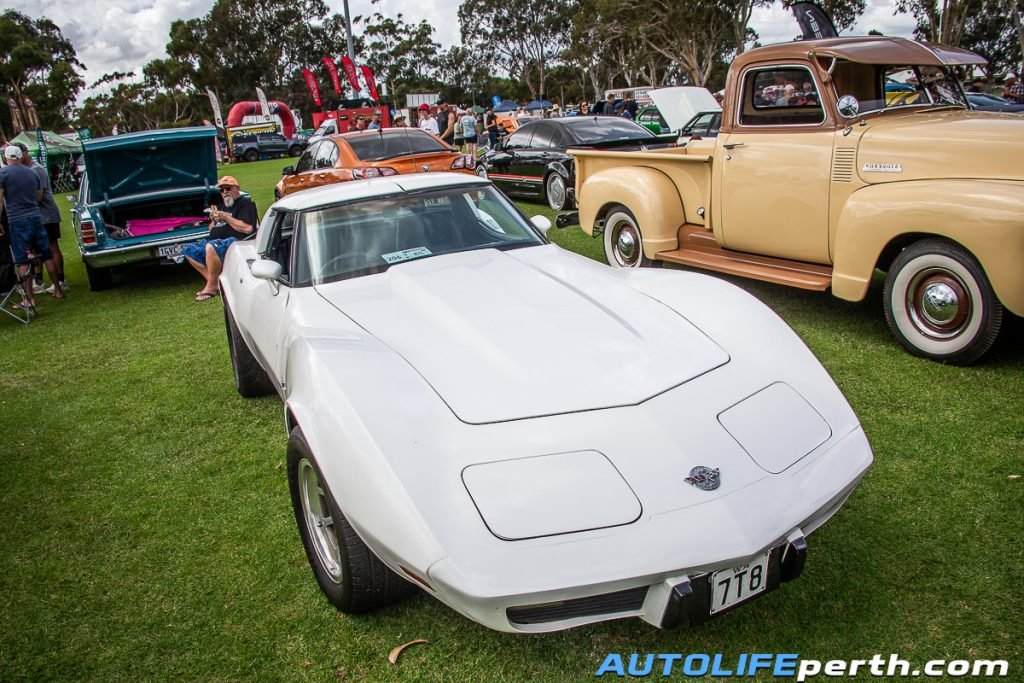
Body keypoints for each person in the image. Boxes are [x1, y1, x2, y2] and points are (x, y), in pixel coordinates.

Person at [0, 145, 63, 309]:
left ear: (6, 158)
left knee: (23, 261)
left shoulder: (3, 174)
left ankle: (29, 299)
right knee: (46, 254)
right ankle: (58, 289)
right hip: (36, 217)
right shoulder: (32, 172)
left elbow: (0, 199)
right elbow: (38, 195)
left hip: (17, 220)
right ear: (20, 156)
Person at [182, 176, 257, 302]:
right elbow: (212, 229)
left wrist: (226, 218)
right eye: (221, 190)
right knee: (188, 249)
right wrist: (214, 220)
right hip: (215, 241)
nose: (225, 192)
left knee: (211, 247)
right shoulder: (222, 206)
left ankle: (211, 287)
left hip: (236, 242)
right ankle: (217, 283)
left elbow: (248, 229)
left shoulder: (245, 204)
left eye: (228, 188)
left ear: (236, 188)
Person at [17, 144, 66, 294]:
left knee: (52, 247)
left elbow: (38, 195)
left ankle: (61, 280)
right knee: (35, 249)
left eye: (20, 154)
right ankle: (39, 281)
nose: (18, 157)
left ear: (26, 153)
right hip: (36, 216)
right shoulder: (25, 170)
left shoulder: (37, 169)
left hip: (47, 215)